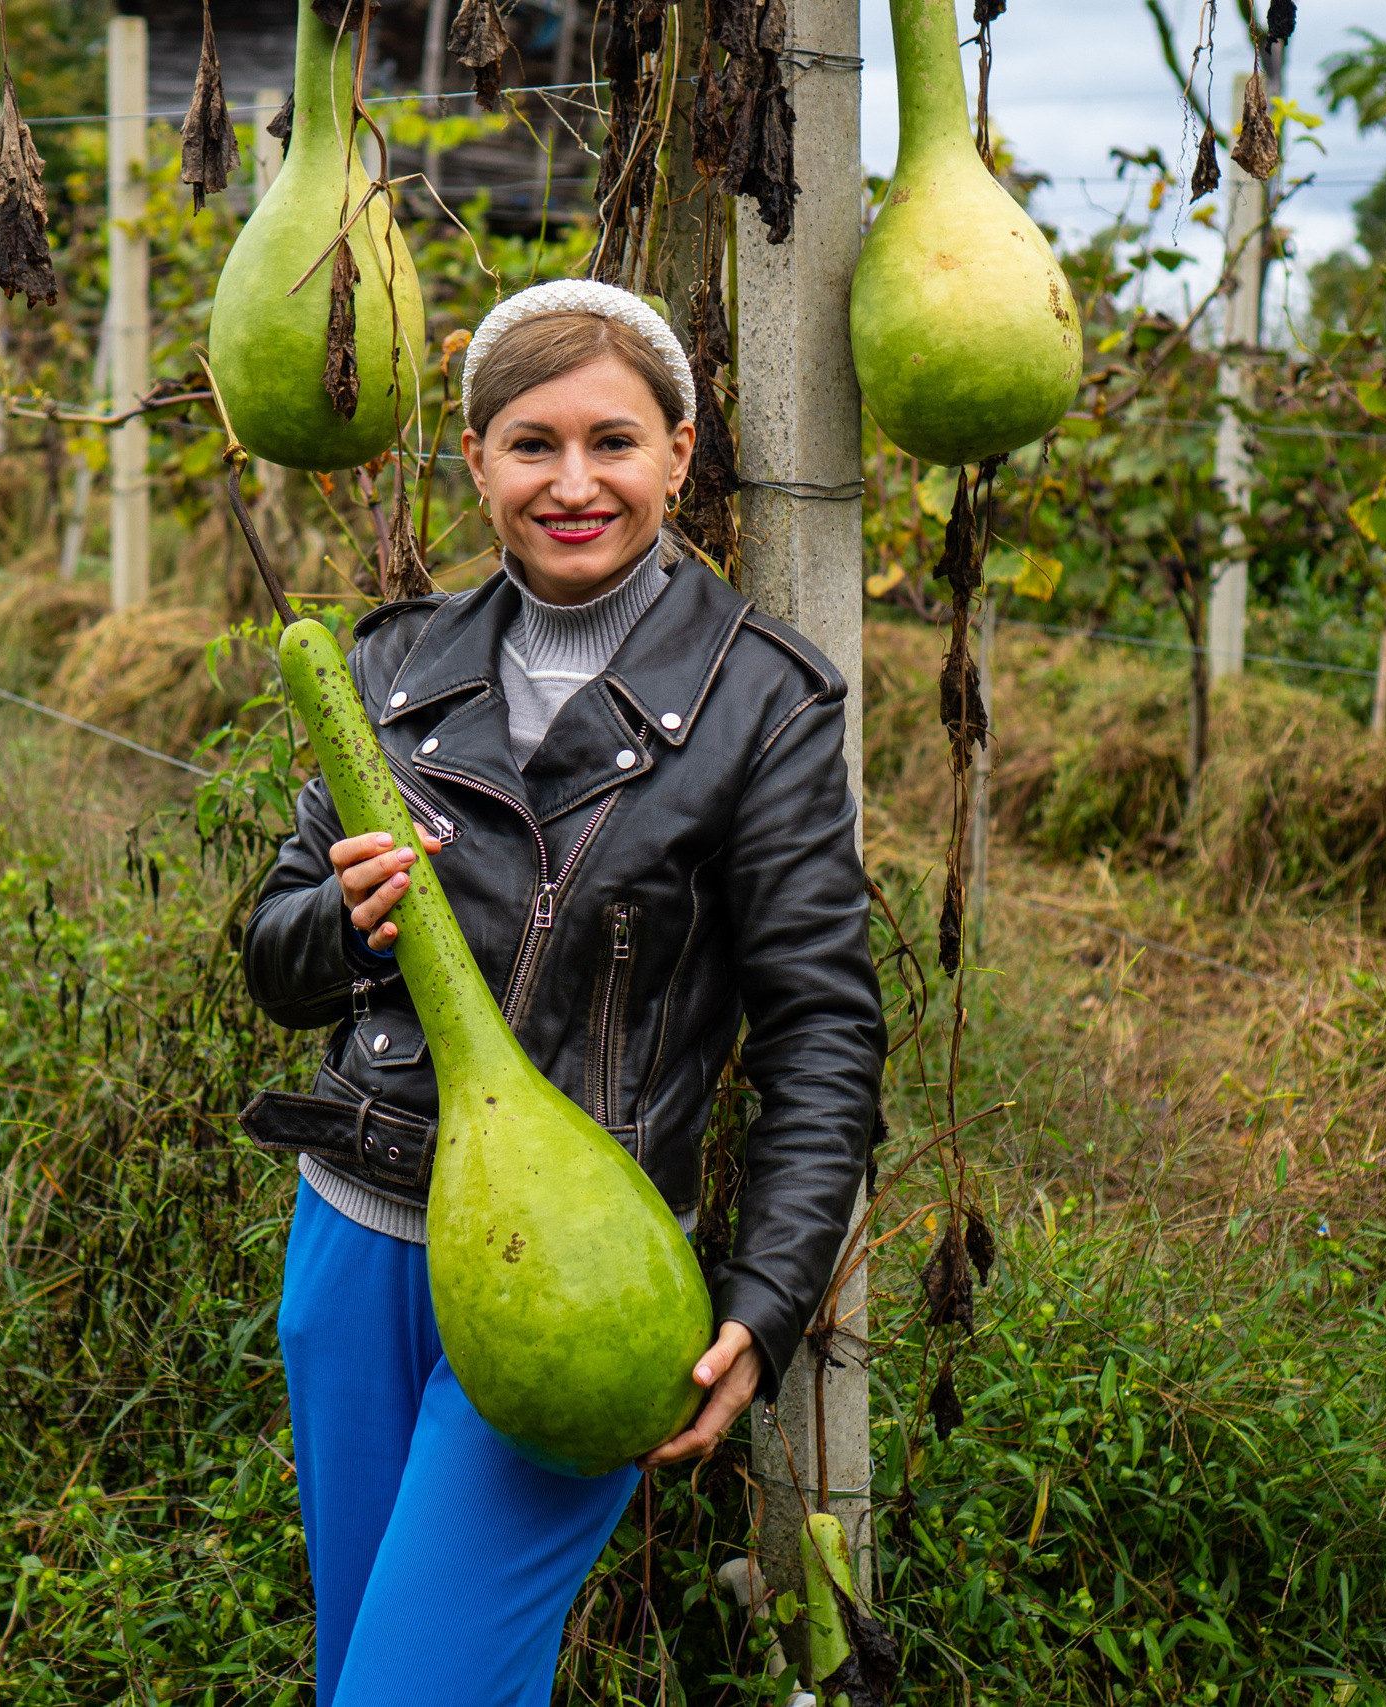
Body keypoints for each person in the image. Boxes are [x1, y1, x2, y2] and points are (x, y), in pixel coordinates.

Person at [242, 279, 884, 1707]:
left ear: (681, 451)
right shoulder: (389, 668)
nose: (575, 482)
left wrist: (769, 1297)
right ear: (474, 459)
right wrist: (345, 929)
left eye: (614, 441)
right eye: (532, 444)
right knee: (374, 1673)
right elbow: (273, 956)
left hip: (589, 1295)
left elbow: (823, 1029)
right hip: (354, 1252)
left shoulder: (762, 701)